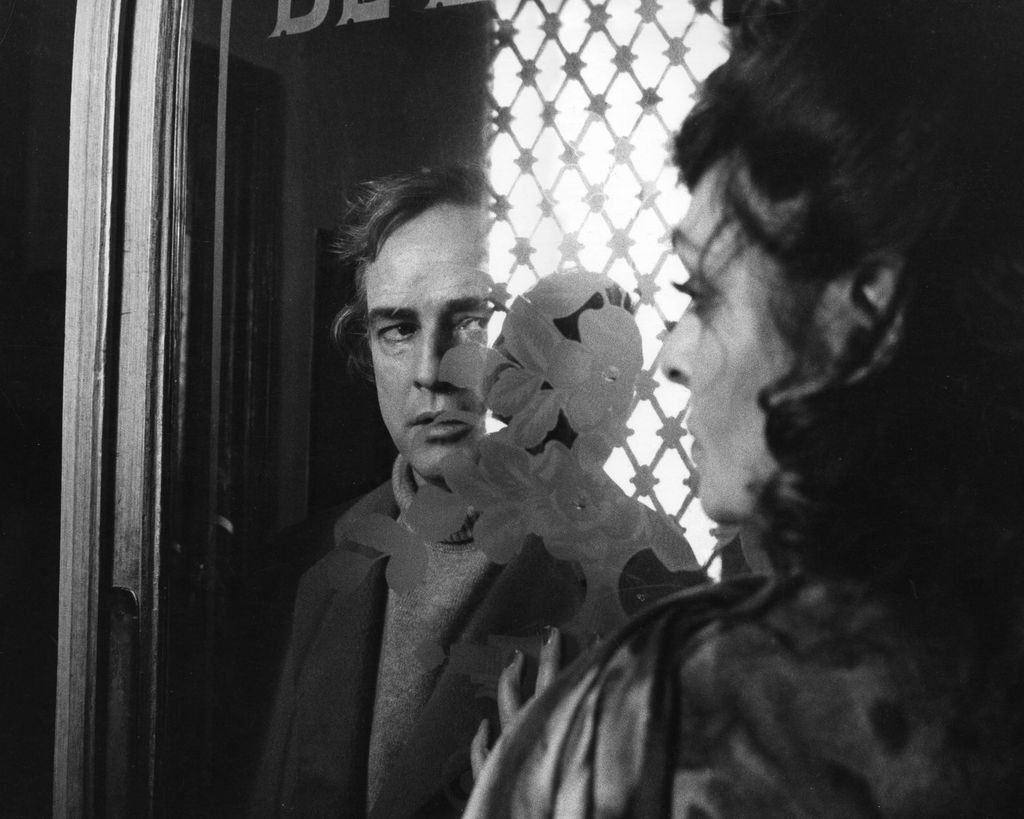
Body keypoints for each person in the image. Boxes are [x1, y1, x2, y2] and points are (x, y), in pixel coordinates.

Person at [464, 0, 1024, 815]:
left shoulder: (672, 711)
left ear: (861, 313)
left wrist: (559, 764)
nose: (671, 357)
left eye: (702, 293)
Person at [250, 167, 700, 818]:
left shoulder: (644, 565)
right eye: (397, 329)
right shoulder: (317, 563)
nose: (432, 371)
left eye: (471, 322)